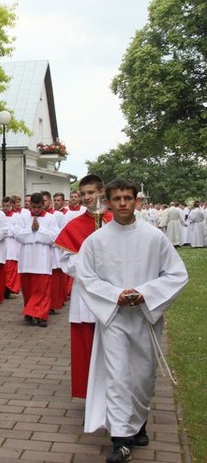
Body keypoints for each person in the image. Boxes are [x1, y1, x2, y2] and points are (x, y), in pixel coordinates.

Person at [76, 178, 188, 463]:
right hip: (113, 318)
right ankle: (120, 439)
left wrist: (144, 293)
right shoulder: (96, 240)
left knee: (142, 376)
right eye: (117, 199)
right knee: (117, 375)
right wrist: (114, 295)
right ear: (109, 202)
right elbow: (86, 277)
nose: (123, 203)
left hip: (145, 318)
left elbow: (176, 274)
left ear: (136, 201)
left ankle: (138, 423)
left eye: (128, 198)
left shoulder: (154, 237)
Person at [54, 174, 112, 399]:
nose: (87, 198)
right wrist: (89, 263)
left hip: (111, 293)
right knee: (85, 345)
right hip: (85, 294)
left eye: (91, 193)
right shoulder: (75, 225)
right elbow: (66, 262)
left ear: (102, 192)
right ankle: (90, 394)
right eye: (83, 193)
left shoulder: (115, 221)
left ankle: (112, 393)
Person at [14, 192, 60, 327]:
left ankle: (41, 315)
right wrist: (30, 229)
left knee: (42, 290)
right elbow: (17, 235)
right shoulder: (23, 217)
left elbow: (55, 238)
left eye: (39, 207)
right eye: (33, 207)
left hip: (42, 259)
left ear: (43, 205)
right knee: (28, 289)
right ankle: (30, 312)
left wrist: (39, 230)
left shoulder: (51, 218)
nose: (36, 210)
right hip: (26, 258)